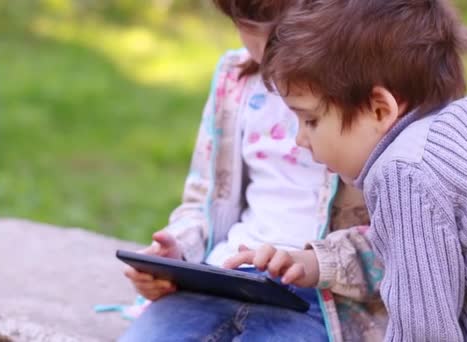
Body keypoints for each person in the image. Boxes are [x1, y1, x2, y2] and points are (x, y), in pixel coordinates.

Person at [254, 0, 467, 340]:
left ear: (380, 110)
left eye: (311, 120)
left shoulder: (404, 172)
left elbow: (424, 328)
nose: (300, 139)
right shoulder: (459, 134)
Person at [119, 1, 385, 341]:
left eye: (282, 31)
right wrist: (178, 250)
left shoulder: (364, 93)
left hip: (320, 297)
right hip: (223, 275)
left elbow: (394, 240)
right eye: (247, 26)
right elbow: (205, 200)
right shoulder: (235, 78)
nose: (269, 48)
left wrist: (313, 263)